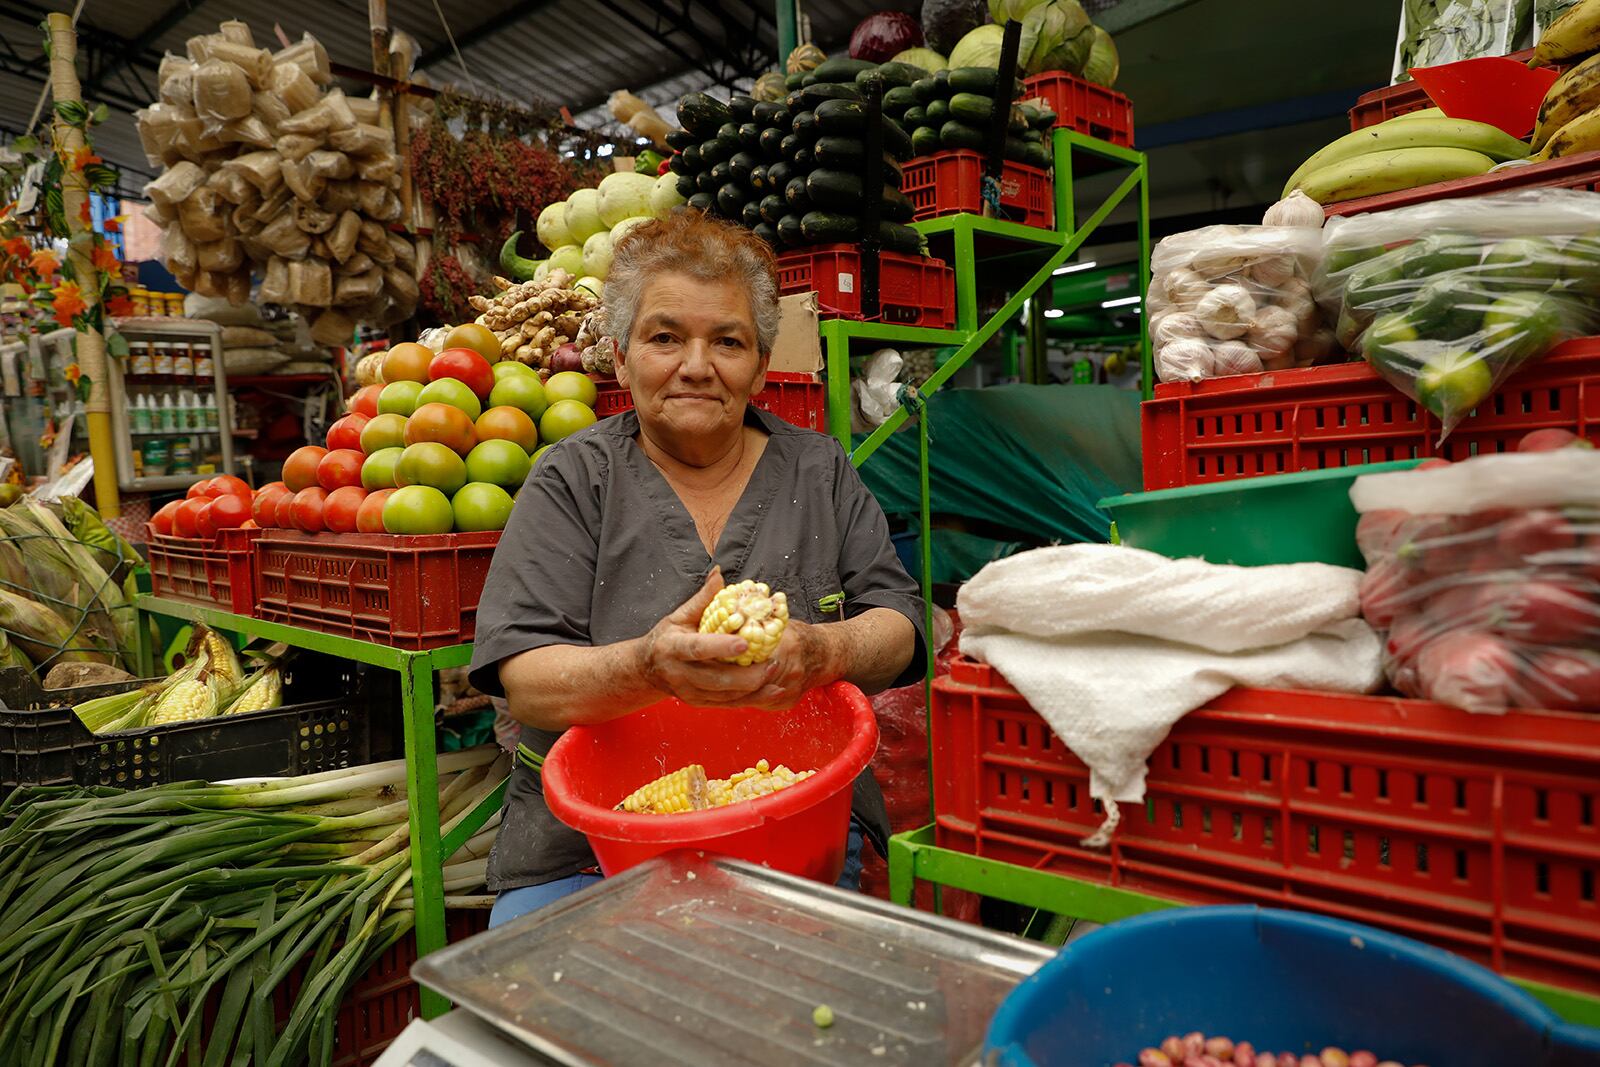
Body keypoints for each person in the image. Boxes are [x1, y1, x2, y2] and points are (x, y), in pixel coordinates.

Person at [468, 211, 924, 928]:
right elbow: (523, 676)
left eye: (729, 341)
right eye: (665, 337)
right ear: (619, 358)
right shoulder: (573, 480)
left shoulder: (819, 467)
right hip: (590, 848)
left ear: (762, 365)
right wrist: (646, 667)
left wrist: (823, 651)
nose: (697, 365)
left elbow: (899, 620)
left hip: (795, 827)